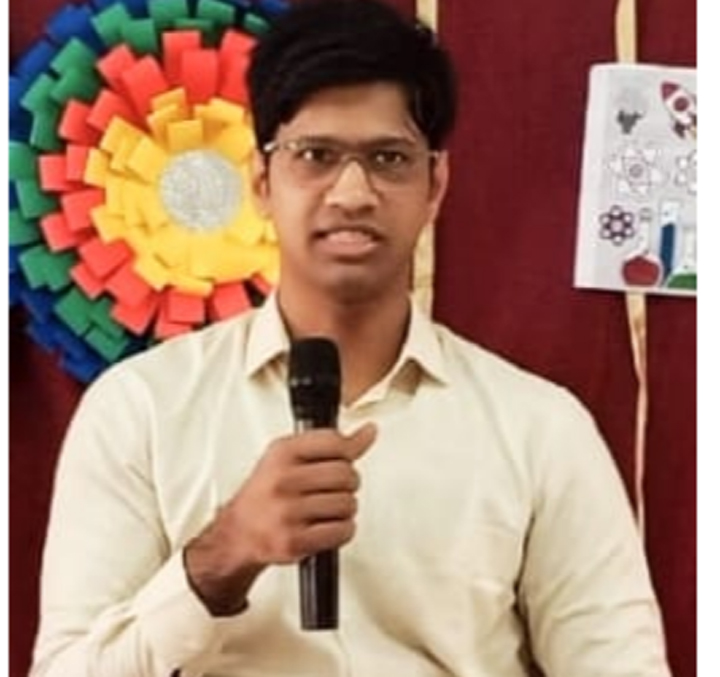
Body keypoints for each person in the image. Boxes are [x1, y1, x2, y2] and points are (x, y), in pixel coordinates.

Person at [30, 1, 672, 675]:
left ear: (435, 184)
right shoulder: (141, 410)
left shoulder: (540, 429)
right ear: (261, 181)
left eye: (389, 158)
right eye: (316, 155)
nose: (352, 192)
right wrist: (221, 556)